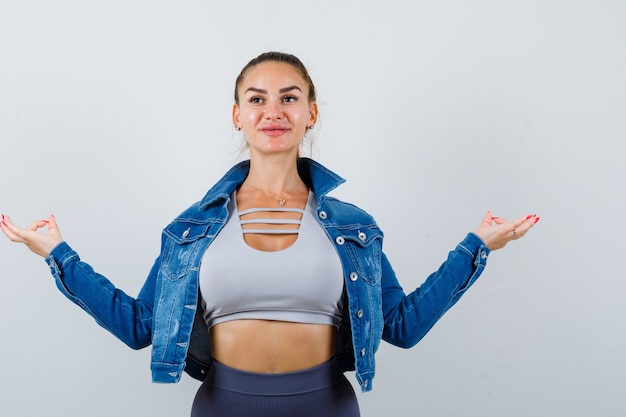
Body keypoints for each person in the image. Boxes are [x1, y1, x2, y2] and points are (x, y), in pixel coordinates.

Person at [0, 51, 539, 417]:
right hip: (222, 405)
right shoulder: (192, 228)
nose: (273, 111)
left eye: (289, 97)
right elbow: (140, 325)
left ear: (311, 113)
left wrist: (476, 248)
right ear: (238, 114)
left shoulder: (354, 226)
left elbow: (401, 326)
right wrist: (57, 254)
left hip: (326, 404)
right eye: (256, 99)